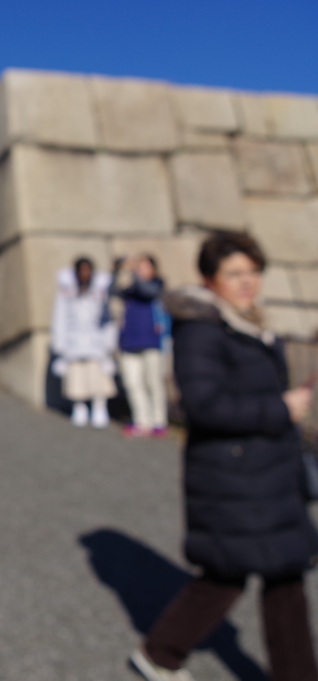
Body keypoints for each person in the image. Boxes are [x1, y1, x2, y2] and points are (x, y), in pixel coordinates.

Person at [131, 231, 318, 681]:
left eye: (253, 271)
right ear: (209, 279)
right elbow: (203, 405)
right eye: (234, 273)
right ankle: (159, 655)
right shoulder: (202, 329)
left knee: (271, 574)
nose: (247, 281)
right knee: (234, 574)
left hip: (263, 471)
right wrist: (281, 409)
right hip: (234, 475)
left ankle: (160, 655)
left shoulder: (245, 323)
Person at [50, 257, 117, 429]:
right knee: (76, 380)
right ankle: (79, 408)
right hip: (74, 344)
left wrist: (109, 344)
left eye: (88, 270)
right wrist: (60, 346)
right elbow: (60, 318)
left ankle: (99, 408)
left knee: (98, 378)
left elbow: (107, 318)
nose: (85, 274)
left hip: (97, 344)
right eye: (82, 270)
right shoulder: (66, 292)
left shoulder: (100, 292)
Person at [110, 254, 169, 438]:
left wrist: (133, 274)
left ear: (153, 269)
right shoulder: (129, 289)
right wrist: (116, 271)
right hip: (129, 341)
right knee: (132, 383)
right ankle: (141, 420)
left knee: (153, 382)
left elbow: (147, 291)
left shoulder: (157, 284)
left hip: (152, 340)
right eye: (138, 267)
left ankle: (159, 421)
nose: (140, 270)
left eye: (144, 267)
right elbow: (112, 292)